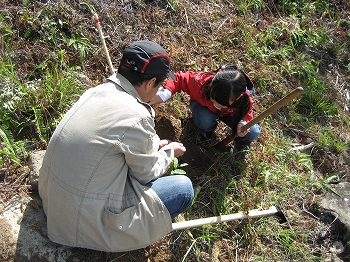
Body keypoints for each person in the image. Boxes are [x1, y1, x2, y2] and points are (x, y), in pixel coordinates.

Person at [39, 40, 194, 252]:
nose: (159, 90)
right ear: (149, 83)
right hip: (82, 221)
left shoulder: (97, 92)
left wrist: (152, 145)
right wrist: (168, 152)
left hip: (54, 201)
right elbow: (146, 175)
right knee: (183, 189)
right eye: (159, 85)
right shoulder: (136, 115)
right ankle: (137, 237)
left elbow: (108, 143)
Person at [150, 64, 261, 152]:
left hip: (229, 115)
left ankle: (241, 144)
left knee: (253, 131)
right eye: (213, 98)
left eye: (221, 103)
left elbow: (247, 111)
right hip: (204, 107)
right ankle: (207, 131)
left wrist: (243, 122)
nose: (215, 103)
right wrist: (165, 93)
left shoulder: (243, 99)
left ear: (236, 98)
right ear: (212, 85)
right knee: (204, 119)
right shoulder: (201, 83)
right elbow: (179, 79)